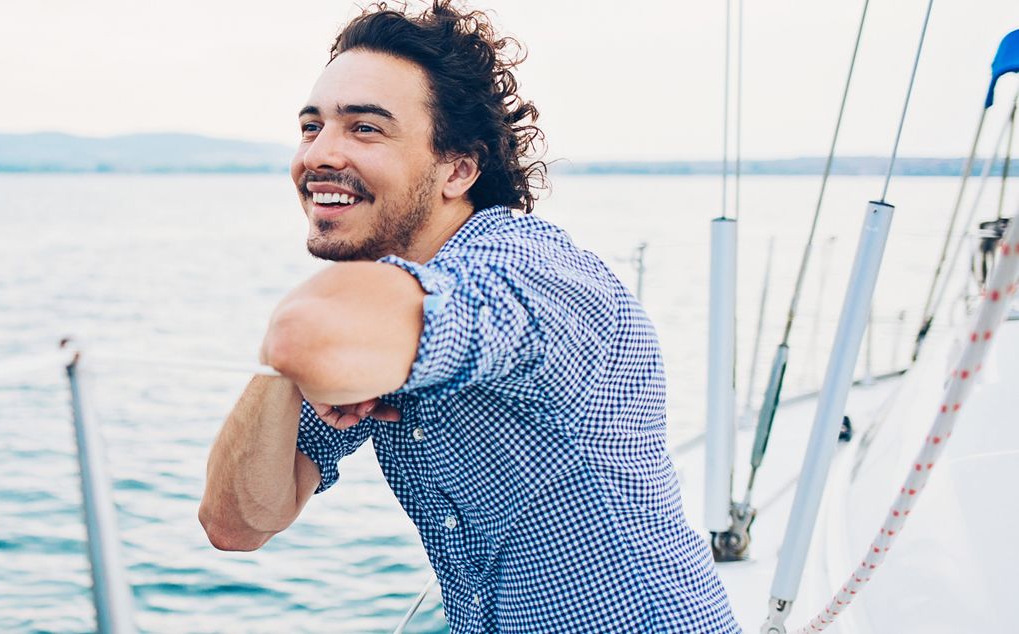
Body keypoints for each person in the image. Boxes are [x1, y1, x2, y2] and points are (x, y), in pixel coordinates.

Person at [196, 2, 741, 631]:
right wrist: (288, 371)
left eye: (365, 128)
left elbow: (306, 335)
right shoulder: (386, 317)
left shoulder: (526, 274)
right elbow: (235, 523)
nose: (321, 153)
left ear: (458, 168)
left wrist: (303, 345)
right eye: (312, 127)